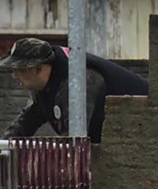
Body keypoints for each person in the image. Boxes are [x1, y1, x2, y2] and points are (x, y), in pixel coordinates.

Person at [1, 37, 149, 144]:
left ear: (39, 68)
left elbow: (73, 140)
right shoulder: (46, 86)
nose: (14, 76)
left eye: (19, 69)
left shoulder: (77, 81)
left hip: (144, 136)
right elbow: (24, 124)